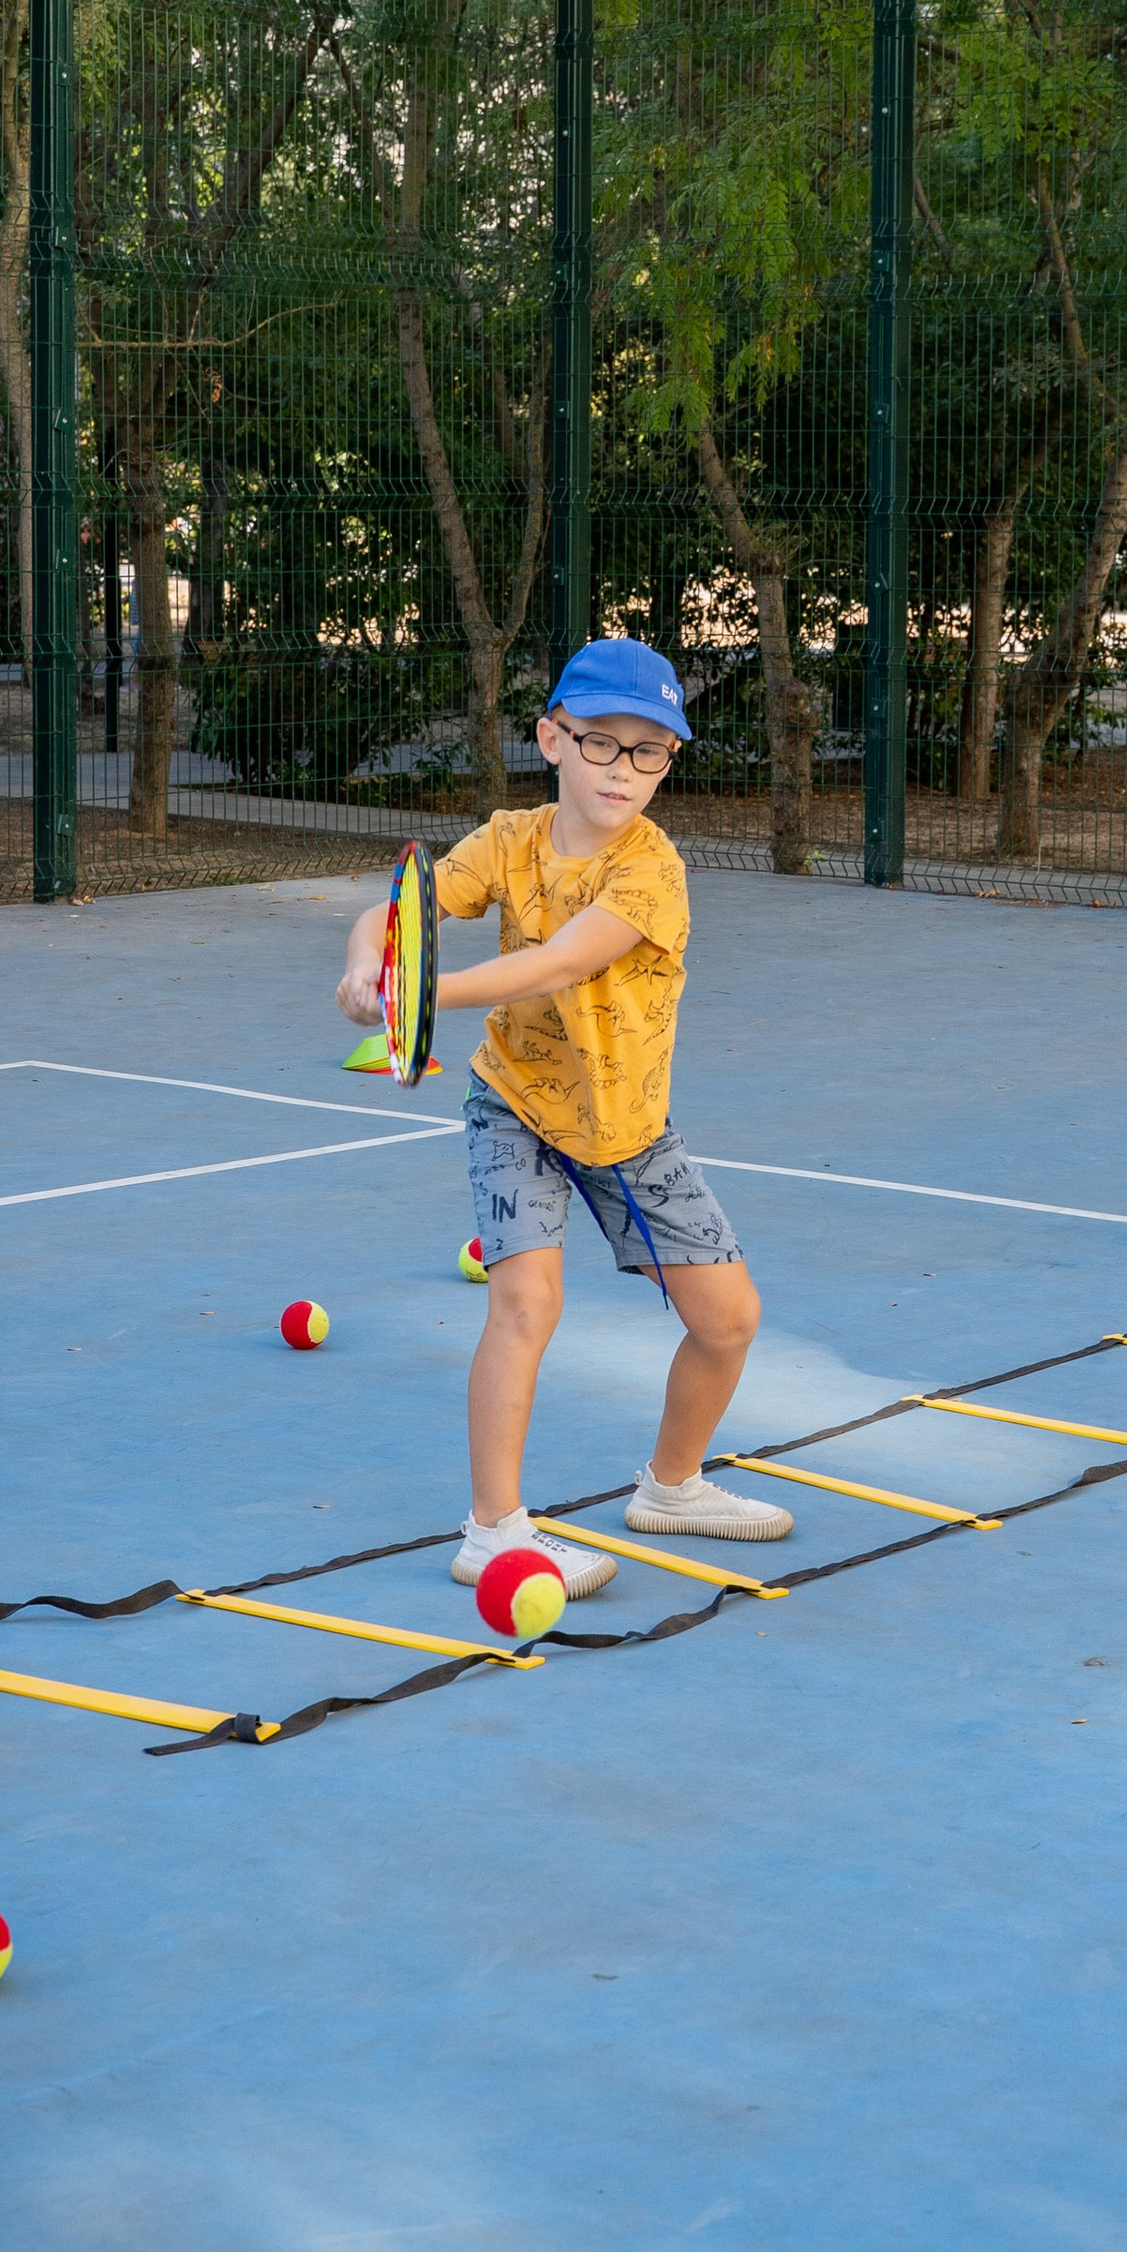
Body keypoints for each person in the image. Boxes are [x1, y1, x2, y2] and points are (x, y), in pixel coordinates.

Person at [337, 636, 789, 1599]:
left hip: (629, 1132)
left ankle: (671, 1487)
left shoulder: (652, 870)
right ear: (551, 738)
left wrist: (421, 996)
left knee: (730, 1322)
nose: (623, 770)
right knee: (527, 1304)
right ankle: (492, 1529)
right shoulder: (509, 841)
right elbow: (405, 903)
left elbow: (558, 962)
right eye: (601, 743)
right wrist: (369, 962)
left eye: (650, 751)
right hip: (516, 1107)